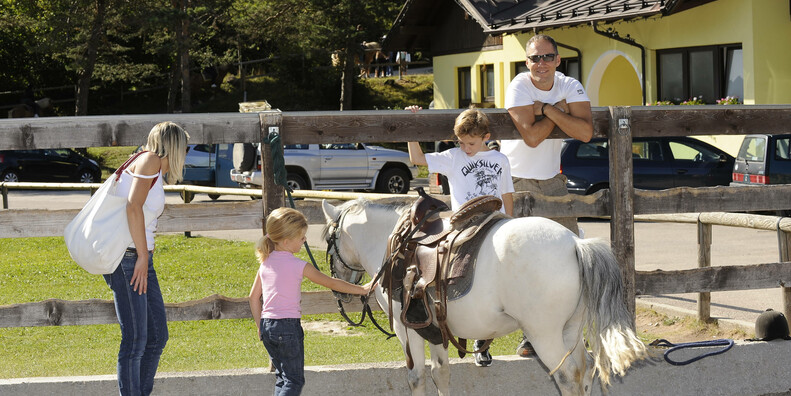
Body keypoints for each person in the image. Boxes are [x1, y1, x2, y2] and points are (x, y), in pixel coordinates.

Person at [501, 34, 594, 358]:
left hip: (553, 180)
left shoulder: (569, 84)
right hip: (515, 179)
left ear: (557, 59)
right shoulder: (519, 86)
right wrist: (561, 114)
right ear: (527, 62)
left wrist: (548, 110)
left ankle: (566, 331)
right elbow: (530, 137)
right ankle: (529, 336)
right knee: (522, 259)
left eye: (547, 57)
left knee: (571, 256)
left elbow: (585, 132)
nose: (540, 64)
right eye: (534, 58)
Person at [407, 107, 514, 367]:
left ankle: (484, 335)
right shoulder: (453, 157)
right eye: (462, 142)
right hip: (464, 221)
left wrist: (510, 222)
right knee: (451, 264)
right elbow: (417, 158)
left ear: (486, 136)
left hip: (495, 220)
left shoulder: (501, 160)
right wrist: (412, 125)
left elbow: (507, 194)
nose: (466, 148)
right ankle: (445, 313)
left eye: (472, 143)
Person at [248, 207, 376, 395]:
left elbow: (253, 298)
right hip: (288, 328)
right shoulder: (299, 266)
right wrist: (362, 289)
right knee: (294, 381)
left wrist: (260, 326)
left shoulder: (265, 263)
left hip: (268, 327)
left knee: (283, 378)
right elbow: (331, 282)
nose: (305, 240)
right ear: (285, 241)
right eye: (301, 238)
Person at [103, 121, 189, 396]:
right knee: (136, 338)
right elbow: (133, 207)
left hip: (138, 258)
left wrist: (144, 256)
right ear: (174, 145)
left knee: (156, 336)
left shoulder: (149, 165)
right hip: (128, 258)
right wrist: (142, 255)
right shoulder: (150, 160)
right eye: (184, 147)